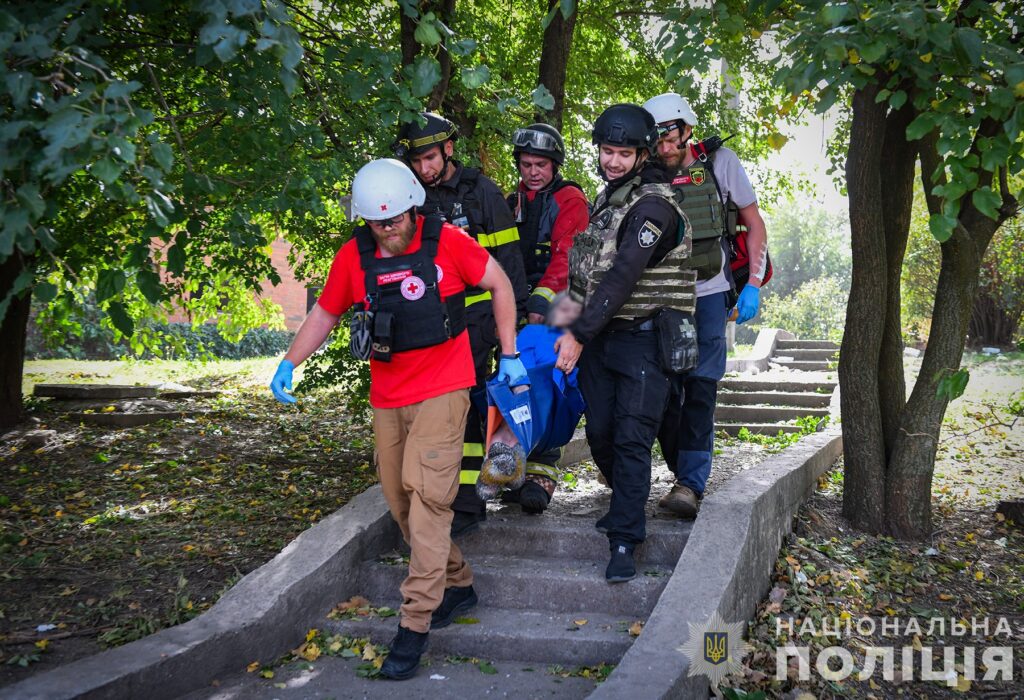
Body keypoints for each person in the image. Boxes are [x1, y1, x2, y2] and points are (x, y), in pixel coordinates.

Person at [268, 159, 525, 680]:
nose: (388, 230)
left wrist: (510, 351)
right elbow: (325, 312)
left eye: (396, 220)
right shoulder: (354, 256)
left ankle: (414, 624)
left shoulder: (449, 243)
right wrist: (289, 362)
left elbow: (500, 285)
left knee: (429, 497)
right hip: (388, 395)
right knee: (402, 504)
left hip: (445, 388)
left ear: (413, 205)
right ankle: (459, 583)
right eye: (377, 223)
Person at [554, 104, 697, 583]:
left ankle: (625, 540)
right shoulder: (609, 200)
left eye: (623, 153)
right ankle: (624, 503)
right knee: (600, 434)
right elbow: (587, 274)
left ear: (642, 154)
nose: (613, 160)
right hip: (603, 340)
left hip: (643, 341)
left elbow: (623, 274)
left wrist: (576, 334)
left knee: (633, 437)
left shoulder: (652, 206)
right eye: (607, 151)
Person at [393, 113, 529, 537]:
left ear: (448, 149)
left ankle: (467, 501)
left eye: (430, 158)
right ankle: (434, 488)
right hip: (425, 322)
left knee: (463, 403)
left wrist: (514, 326)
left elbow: (507, 263)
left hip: (475, 321)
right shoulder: (407, 198)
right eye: (416, 162)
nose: (424, 169)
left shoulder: (481, 193)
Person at [642, 92, 769, 518]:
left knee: (700, 388)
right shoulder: (644, 170)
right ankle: (683, 472)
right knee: (660, 391)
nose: (663, 147)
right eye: (656, 138)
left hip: (710, 292)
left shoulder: (720, 163)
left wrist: (752, 284)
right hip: (657, 296)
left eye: (669, 136)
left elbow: (754, 225)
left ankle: (690, 484)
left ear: (686, 129)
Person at [503, 123, 590, 513]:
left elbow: (567, 255)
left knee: (549, 380)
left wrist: (539, 306)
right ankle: (512, 466)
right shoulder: (511, 201)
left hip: (561, 300)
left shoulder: (570, 199)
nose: (533, 171)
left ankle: (543, 471)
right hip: (517, 300)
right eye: (526, 164)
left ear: (554, 165)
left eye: (540, 164)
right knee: (513, 384)